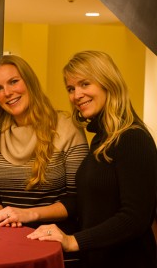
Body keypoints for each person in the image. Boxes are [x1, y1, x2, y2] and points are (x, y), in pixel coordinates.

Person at [27, 50, 157, 268]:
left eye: (85, 84)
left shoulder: (132, 137)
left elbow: (135, 218)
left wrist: (72, 241)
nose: (76, 95)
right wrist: (31, 215)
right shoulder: (102, 138)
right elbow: (93, 205)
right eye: (71, 88)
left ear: (108, 83)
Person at [0, 54, 88, 233]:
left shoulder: (67, 127)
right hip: (7, 240)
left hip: (55, 242)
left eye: (14, 81)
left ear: (29, 81)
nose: (7, 92)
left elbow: (77, 200)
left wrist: (28, 214)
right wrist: (3, 216)